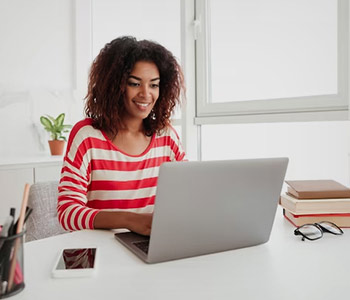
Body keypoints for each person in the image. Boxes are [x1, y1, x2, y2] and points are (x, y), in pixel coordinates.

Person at [57, 36, 186, 236]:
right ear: (114, 87)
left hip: (153, 246)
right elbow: (67, 213)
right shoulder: (88, 137)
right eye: (134, 84)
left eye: (154, 85)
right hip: (101, 252)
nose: (146, 94)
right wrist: (129, 220)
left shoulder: (167, 136)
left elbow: (189, 194)